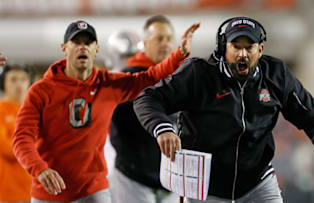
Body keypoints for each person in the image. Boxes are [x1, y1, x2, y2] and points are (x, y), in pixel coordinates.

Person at [133, 16, 314, 203]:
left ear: (260, 50)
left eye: (249, 46)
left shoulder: (277, 75)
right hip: (205, 186)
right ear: (223, 48)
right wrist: (163, 129)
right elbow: (147, 99)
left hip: (258, 181)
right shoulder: (199, 74)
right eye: (236, 46)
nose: (243, 54)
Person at [12, 20, 199, 203]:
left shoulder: (108, 84)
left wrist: (179, 53)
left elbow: (148, 78)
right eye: (76, 42)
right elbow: (21, 138)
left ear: (96, 49)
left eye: (88, 42)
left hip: (93, 189)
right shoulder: (40, 91)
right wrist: (39, 169)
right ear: (64, 48)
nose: (82, 47)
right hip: (49, 191)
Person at [109, 15, 180, 203]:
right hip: (133, 178)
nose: (164, 44)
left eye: (168, 38)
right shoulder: (126, 80)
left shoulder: (182, 77)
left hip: (172, 181)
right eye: (159, 38)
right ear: (146, 43)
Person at [0, 64, 32, 203]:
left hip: (33, 191)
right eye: (13, 79)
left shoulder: (36, 112)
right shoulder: (1, 111)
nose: (19, 84)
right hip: (7, 192)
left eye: (23, 79)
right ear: (4, 83)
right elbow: (7, 149)